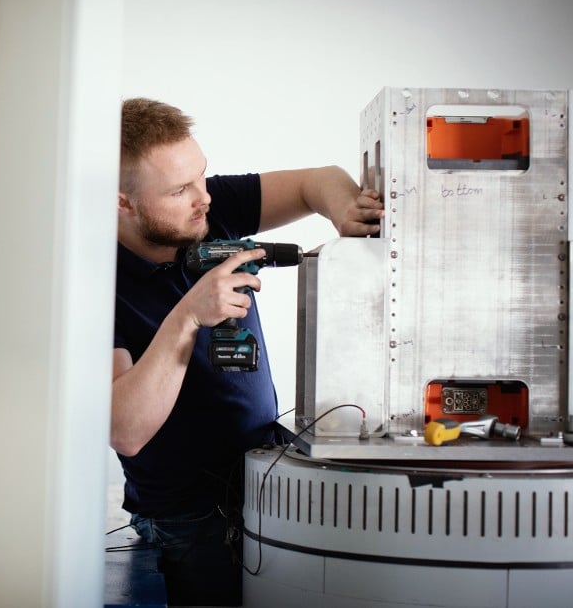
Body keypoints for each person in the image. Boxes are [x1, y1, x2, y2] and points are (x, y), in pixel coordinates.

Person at [111, 97, 383, 606]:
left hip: (262, 486)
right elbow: (125, 430)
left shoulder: (206, 209)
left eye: (202, 177)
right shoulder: (93, 277)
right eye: (179, 189)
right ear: (122, 201)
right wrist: (188, 316)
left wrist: (344, 209)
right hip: (185, 522)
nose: (204, 199)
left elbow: (316, 179)